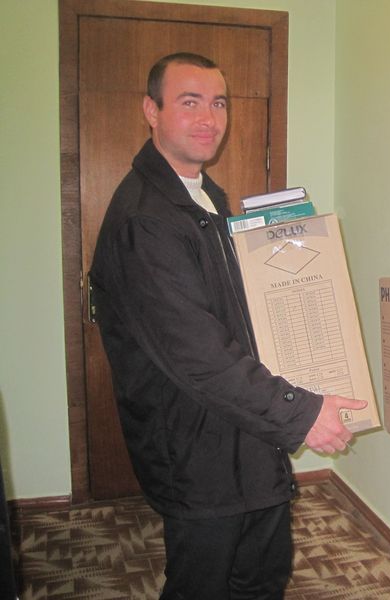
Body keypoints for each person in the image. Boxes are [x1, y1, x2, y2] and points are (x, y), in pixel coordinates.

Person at [90, 52, 365, 600]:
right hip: (199, 452)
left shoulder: (202, 195)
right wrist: (301, 413)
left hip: (243, 435)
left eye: (218, 103)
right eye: (189, 102)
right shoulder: (147, 219)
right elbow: (197, 353)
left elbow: (232, 307)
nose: (208, 118)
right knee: (205, 585)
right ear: (151, 110)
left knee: (262, 575)